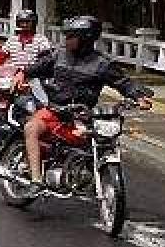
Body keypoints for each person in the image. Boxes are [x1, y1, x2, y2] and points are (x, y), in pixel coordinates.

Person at [16, 16, 152, 191]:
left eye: (71, 37)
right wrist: (23, 73)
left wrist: (139, 96)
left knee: (102, 140)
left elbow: (124, 82)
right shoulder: (59, 55)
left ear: (85, 39)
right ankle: (35, 180)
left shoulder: (102, 63)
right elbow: (39, 66)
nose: (67, 40)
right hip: (55, 111)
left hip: (83, 116)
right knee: (31, 128)